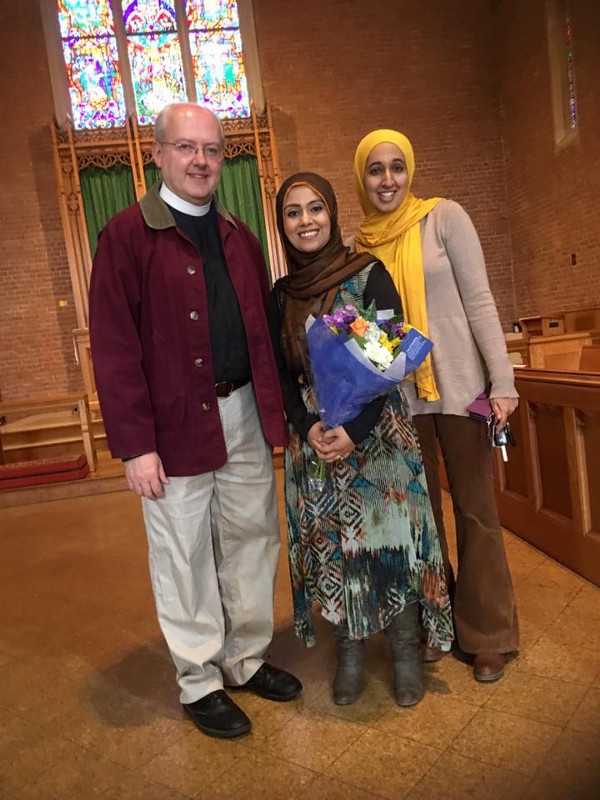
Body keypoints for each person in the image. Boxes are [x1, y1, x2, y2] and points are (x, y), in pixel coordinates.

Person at [89, 102, 302, 740]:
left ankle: (244, 657)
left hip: (240, 410)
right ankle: (200, 678)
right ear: (157, 154)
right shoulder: (126, 235)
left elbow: (261, 334)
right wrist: (134, 446)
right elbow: (114, 346)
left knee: (251, 538)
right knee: (182, 553)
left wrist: (276, 415)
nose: (201, 161)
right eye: (186, 148)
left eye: (211, 149)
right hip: (173, 423)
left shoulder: (239, 235)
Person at [268, 172, 453, 707]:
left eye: (315, 209)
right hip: (317, 440)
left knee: (389, 541)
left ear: (332, 214)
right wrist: (310, 428)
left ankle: (402, 650)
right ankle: (348, 650)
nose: (306, 221)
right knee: (335, 549)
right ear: (282, 224)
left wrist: (355, 431)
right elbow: (281, 375)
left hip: (377, 440)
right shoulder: (281, 295)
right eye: (293, 212)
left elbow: (388, 361)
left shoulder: (367, 276)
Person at [353, 130, 519, 682]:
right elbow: (368, 333)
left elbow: (479, 299)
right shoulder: (361, 246)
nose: (387, 180)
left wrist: (503, 381)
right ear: (362, 177)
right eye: (375, 170)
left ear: (411, 169)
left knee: (476, 511)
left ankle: (488, 633)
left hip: (462, 387)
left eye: (397, 167)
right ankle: (438, 623)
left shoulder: (444, 218)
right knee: (421, 521)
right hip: (400, 401)